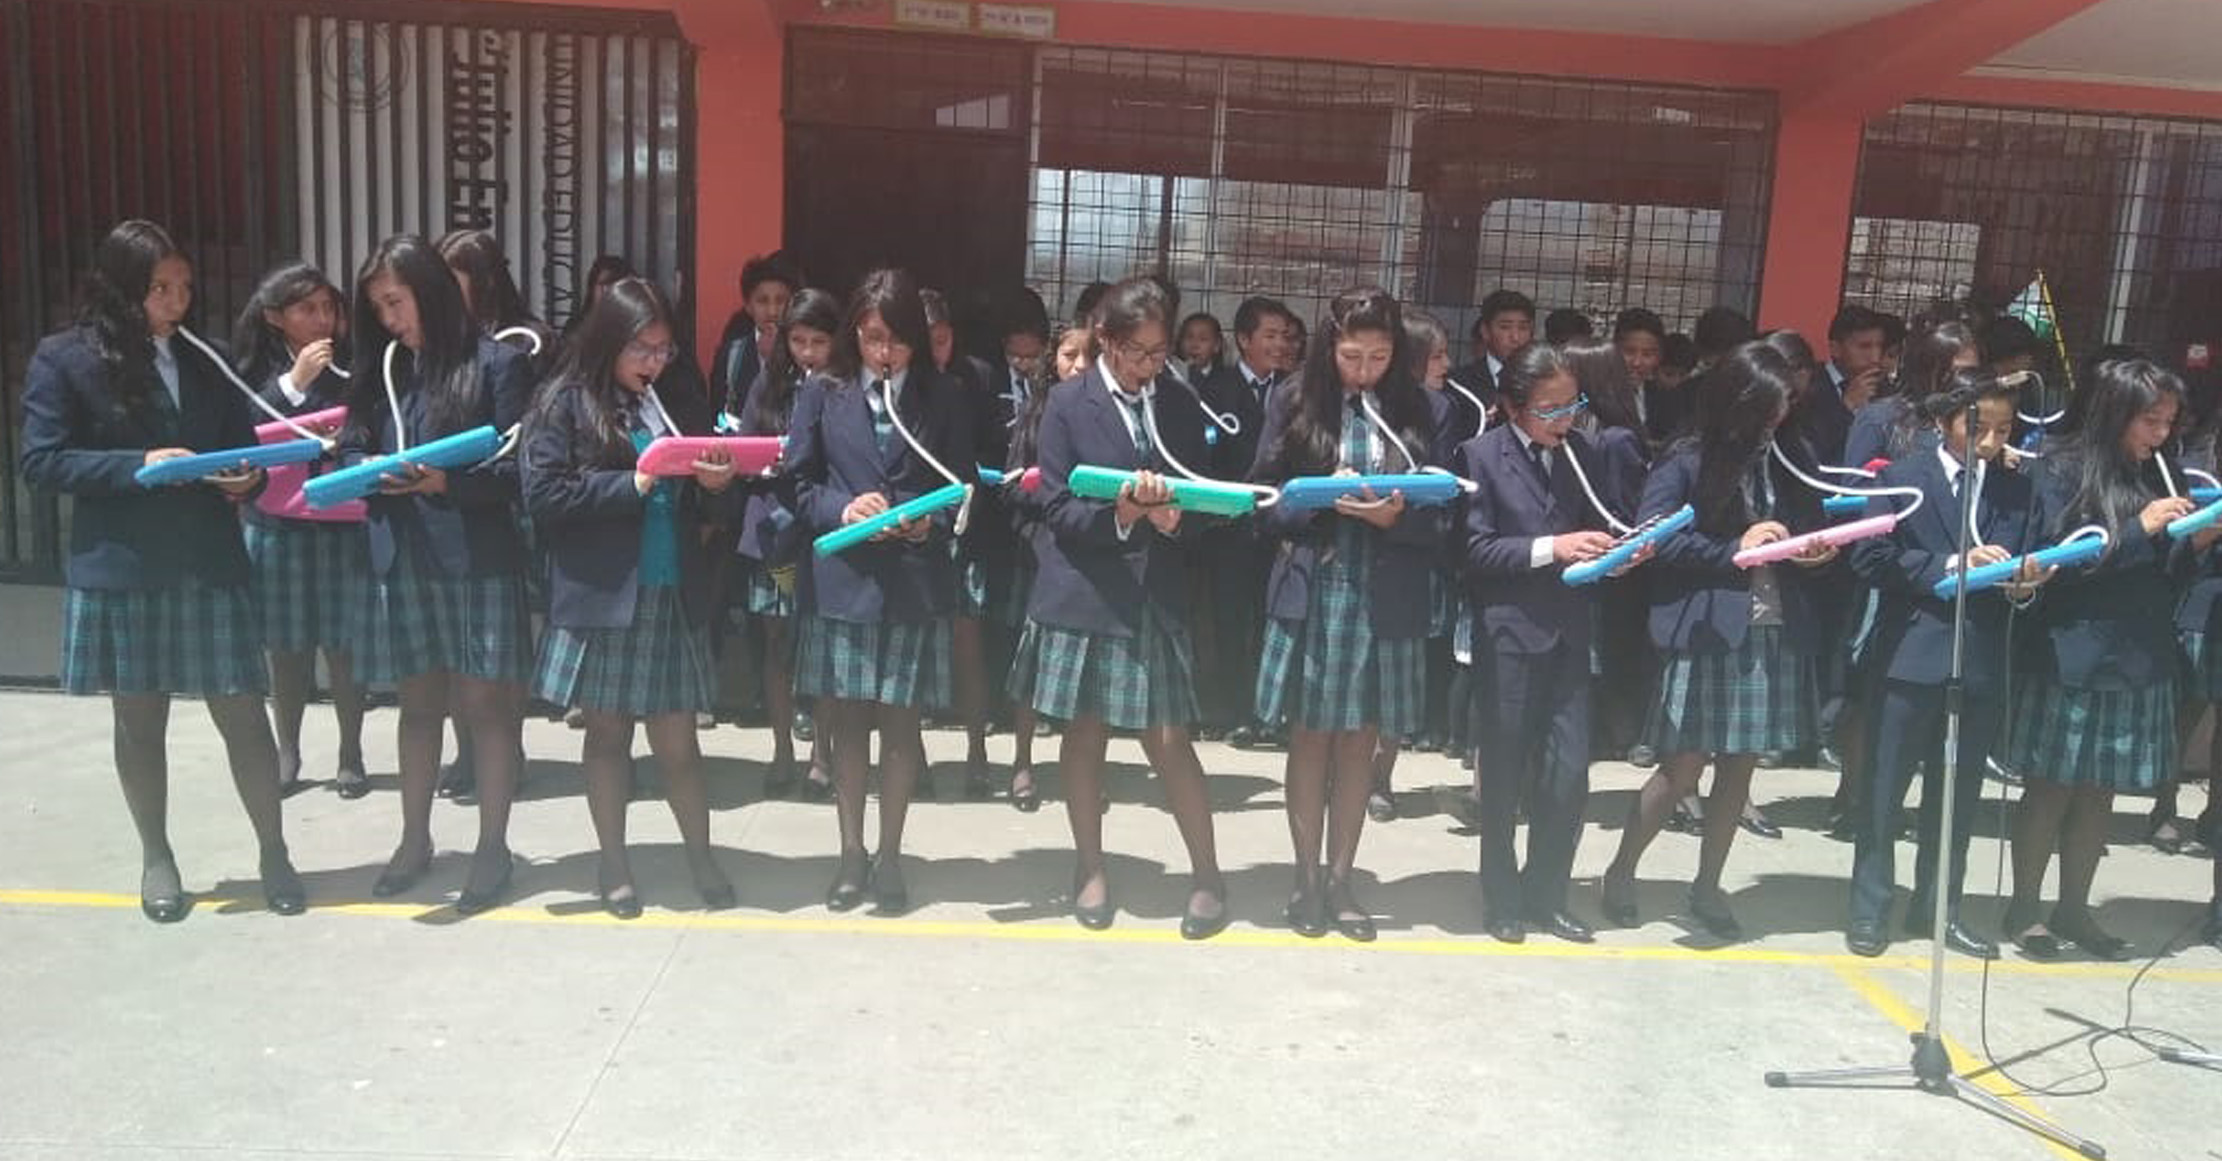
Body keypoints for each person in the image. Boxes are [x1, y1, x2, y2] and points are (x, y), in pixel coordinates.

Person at [20, 219, 305, 922]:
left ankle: (274, 850)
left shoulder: (206, 358)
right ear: (122, 288)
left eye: (184, 286)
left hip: (208, 558)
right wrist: (137, 466)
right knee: (139, 717)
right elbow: (42, 460)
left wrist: (244, 480)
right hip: (127, 564)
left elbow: (243, 447)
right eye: (160, 288)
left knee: (243, 709)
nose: (177, 301)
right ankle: (157, 855)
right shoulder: (65, 358)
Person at [1010, 277, 1229, 937]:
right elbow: (1055, 505)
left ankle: (1208, 876)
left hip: (1153, 592)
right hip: (1086, 589)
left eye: (1160, 353)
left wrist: (1174, 519)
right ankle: (1090, 867)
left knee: (1169, 739)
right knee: (1084, 734)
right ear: (1105, 340)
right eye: (1138, 352)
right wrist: (1124, 514)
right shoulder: (1067, 403)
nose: (1149, 366)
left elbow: (1205, 495)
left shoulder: (1178, 401)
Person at [1600, 343, 1834, 942]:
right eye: (1771, 405)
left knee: (1740, 771)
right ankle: (1622, 871)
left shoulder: (1793, 455)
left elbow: (1811, 523)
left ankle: (1708, 886)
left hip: (1772, 627)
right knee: (1682, 766)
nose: (1780, 416)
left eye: (1788, 403)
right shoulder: (1688, 457)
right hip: (1710, 628)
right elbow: (1655, 539)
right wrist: (1735, 549)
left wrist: (1814, 550)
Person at [522, 277, 740, 917]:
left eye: (664, 350)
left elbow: (705, 498)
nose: (654, 362)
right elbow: (544, 496)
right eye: (642, 349)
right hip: (605, 594)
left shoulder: (670, 399)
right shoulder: (564, 401)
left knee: (678, 743)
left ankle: (700, 855)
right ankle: (613, 864)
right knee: (607, 737)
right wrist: (632, 485)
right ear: (608, 340)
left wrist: (716, 485)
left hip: (669, 589)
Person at [342, 233, 535, 915]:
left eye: (396, 302)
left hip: (474, 557)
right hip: (403, 552)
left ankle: (492, 845)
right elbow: (350, 445)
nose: (389, 318)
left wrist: (444, 482)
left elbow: (519, 472)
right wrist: (364, 469)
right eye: (378, 307)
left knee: (485, 707)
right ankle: (414, 838)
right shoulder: (384, 368)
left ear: (430, 291)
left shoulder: (497, 364)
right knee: (417, 704)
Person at [1251, 287, 1444, 941]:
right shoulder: (1296, 401)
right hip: (1319, 586)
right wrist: (1314, 499)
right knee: (1311, 735)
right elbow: (1260, 501)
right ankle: (1305, 876)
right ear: (1328, 348)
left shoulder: (1420, 408)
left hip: (1385, 589)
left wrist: (1396, 518)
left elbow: (1447, 510)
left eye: (1379, 357)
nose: (1364, 370)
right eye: (1352, 356)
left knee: (1361, 739)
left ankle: (1341, 878)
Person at [784, 268, 978, 916]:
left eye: (896, 339)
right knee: (847, 722)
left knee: (900, 723)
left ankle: (889, 854)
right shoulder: (824, 391)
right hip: (846, 578)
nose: (884, 352)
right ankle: (850, 851)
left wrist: (929, 520)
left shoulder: (942, 395)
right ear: (854, 336)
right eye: (872, 338)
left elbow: (965, 485)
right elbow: (797, 482)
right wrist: (843, 509)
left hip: (911, 580)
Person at [2003, 359, 2209, 960]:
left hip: (2137, 649)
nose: (2161, 435)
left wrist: (2195, 538)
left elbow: (2169, 571)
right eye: (2150, 421)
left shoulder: (2162, 469)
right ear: (2115, 413)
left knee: (2099, 791)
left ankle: (2075, 909)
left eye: (2169, 423)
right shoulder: (2060, 467)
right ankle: (2024, 909)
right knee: (2051, 787)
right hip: (2072, 649)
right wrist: (2139, 528)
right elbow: (2057, 561)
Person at [1844, 373, 2051, 960]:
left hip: (1979, 657)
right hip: (1911, 656)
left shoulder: (2018, 488)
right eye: (1977, 428)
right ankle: (1870, 908)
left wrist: (2024, 584)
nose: (1989, 442)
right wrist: (1952, 563)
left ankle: (1940, 908)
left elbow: (2034, 553)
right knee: (1884, 791)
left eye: (2003, 430)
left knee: (1958, 797)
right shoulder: (1900, 477)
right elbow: (1871, 557)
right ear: (1943, 422)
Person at [1460, 343, 1632, 944]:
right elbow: (1473, 549)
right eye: (1549, 409)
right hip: (1509, 634)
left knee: (1569, 771)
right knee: (1505, 771)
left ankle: (1547, 894)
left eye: (1572, 405)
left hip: (1570, 631)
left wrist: (1616, 553)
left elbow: (1600, 524)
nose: (1564, 419)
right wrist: (1551, 548)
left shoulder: (1583, 452)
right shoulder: (1480, 456)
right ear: (1513, 407)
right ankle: (1502, 897)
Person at [230, 261, 369, 799]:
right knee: (285, 646)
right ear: (275, 317)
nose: (322, 320)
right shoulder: (253, 368)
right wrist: (295, 383)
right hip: (277, 523)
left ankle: (351, 751)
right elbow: (241, 428)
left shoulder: (355, 366)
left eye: (328, 308)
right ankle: (287, 750)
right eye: (307, 309)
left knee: (344, 643)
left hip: (344, 522)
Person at [738, 289, 841, 800]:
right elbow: (743, 446)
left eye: (819, 342)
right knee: (777, 644)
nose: (808, 353)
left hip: (825, 530)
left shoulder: (846, 388)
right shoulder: (769, 383)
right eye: (798, 341)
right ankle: (781, 748)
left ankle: (822, 755)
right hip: (774, 530)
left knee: (823, 649)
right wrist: (768, 457)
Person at [1196, 297, 1296, 747]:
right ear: (1243, 339)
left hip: (1280, 526)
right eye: (1269, 336)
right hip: (1229, 527)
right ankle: (1234, 710)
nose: (1279, 345)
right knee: (1230, 620)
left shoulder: (1294, 391)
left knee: (1272, 620)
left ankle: (1269, 712)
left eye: (1284, 336)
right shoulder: (1212, 390)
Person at [713, 253, 802, 418]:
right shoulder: (731, 355)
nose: (772, 311)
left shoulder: (805, 352)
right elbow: (717, 413)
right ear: (748, 306)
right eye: (762, 301)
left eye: (780, 301)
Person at [561, 254, 635, 337]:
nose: (608, 292)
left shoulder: (635, 329)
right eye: (603, 286)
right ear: (592, 288)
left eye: (614, 287)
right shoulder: (576, 326)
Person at [1178, 311, 1226, 383]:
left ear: (1217, 345)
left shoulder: (1224, 379)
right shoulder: (1174, 376)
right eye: (1189, 337)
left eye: (1203, 339)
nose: (1194, 345)